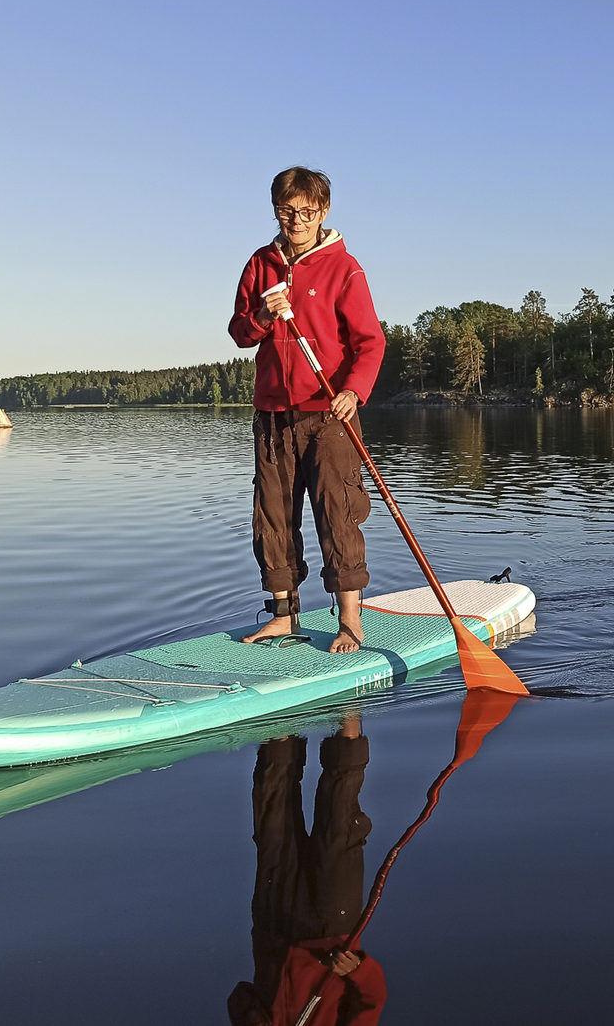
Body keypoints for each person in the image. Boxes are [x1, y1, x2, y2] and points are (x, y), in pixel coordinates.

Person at [229, 167, 385, 653]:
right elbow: (239, 333)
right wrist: (262, 314)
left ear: (324, 212)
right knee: (272, 515)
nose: (297, 220)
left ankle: (350, 621)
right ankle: (283, 616)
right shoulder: (260, 265)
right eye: (287, 210)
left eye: (308, 211)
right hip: (273, 413)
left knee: (338, 511)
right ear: (275, 208)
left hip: (329, 413)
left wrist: (354, 391)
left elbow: (370, 342)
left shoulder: (344, 267)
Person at [226, 717, 387, 1025]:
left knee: (273, 825)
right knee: (339, 833)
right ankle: (349, 718)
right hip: (332, 933)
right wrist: (357, 971)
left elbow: (239, 997)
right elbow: (372, 999)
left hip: (276, 926)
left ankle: (281, 727)